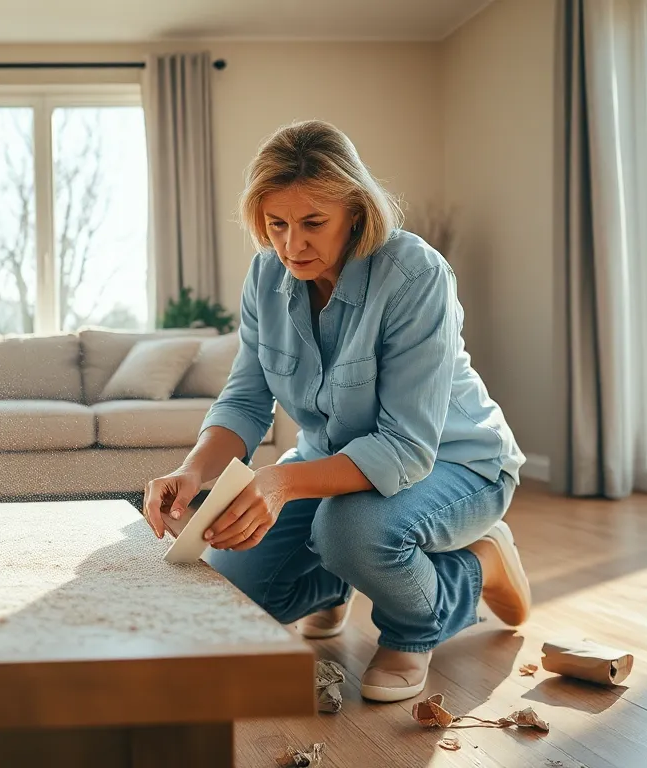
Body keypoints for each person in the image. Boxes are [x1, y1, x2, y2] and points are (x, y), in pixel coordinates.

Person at [142, 119, 530, 703]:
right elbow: (247, 399)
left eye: (312, 223)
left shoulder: (414, 274)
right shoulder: (266, 275)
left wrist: (279, 483)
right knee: (231, 593)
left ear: (355, 210)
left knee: (348, 529)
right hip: (329, 465)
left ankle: (456, 587)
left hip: (455, 465)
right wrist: (194, 471)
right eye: (277, 224)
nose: (291, 244)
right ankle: (335, 587)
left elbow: (405, 447)